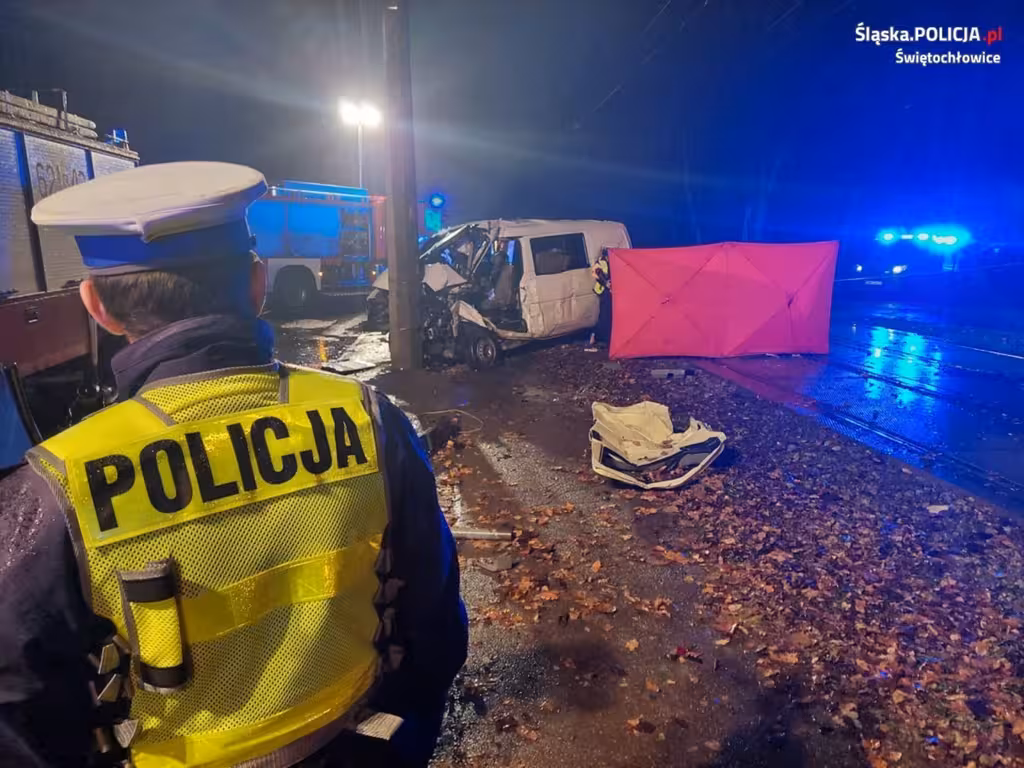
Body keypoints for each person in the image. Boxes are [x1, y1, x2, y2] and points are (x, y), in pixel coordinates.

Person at [0, 162, 468, 768]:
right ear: (256, 283)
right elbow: (434, 621)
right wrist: (399, 740)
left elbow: (20, 712)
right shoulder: (369, 419)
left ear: (97, 306)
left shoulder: (55, 487)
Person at [587, 249, 612, 351]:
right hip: (603, 291)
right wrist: (606, 283)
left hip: (609, 291)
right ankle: (596, 336)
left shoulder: (611, 262)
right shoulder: (601, 262)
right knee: (604, 315)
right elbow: (597, 273)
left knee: (608, 315)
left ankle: (601, 337)